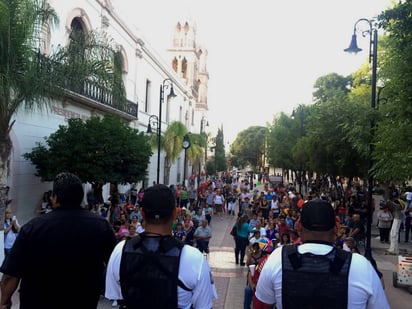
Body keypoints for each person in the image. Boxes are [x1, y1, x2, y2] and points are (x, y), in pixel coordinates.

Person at [0, 172, 117, 309]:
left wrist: (4, 301)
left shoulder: (32, 228)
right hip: (83, 301)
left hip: (37, 302)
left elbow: (11, 274)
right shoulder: (102, 227)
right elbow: (113, 265)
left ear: (54, 198)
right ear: (80, 197)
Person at [254, 199, 390, 309]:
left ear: (298, 225)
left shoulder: (278, 259)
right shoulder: (361, 266)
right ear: (337, 227)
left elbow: (260, 305)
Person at [105, 184, 217, 308]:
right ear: (175, 213)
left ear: (142, 213)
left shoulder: (120, 251)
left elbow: (117, 296)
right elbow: (204, 305)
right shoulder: (194, 258)